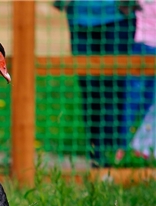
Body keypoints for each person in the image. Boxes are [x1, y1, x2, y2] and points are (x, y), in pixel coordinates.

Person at [54, 0, 137, 167]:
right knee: (89, 91)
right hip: (80, 16)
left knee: (113, 90)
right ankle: (96, 156)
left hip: (118, 16)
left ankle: (107, 157)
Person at [123, 0, 156, 159]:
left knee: (151, 102)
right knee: (132, 99)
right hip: (144, 43)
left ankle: (144, 149)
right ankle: (122, 148)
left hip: (145, 43)